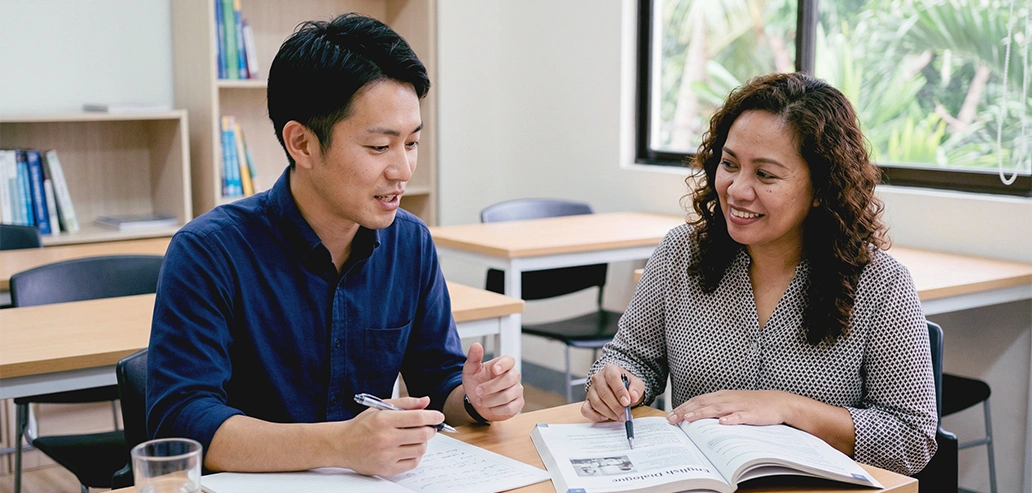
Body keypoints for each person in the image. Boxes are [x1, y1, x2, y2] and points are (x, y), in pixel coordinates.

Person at [147, 13, 524, 477]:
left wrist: (473, 398)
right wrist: (340, 445)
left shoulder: (409, 242)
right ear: (302, 144)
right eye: (380, 147)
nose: (403, 170)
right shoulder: (209, 252)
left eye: (411, 143)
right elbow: (182, 420)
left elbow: (438, 378)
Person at [582, 72, 937, 475]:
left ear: (822, 187)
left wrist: (787, 408)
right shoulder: (681, 253)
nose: (737, 189)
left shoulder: (881, 283)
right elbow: (630, 357)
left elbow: (913, 438)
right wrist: (617, 382)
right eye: (729, 164)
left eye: (765, 175)